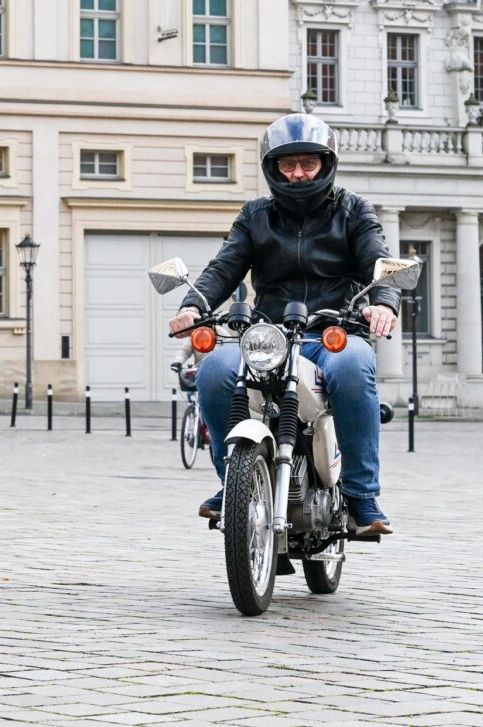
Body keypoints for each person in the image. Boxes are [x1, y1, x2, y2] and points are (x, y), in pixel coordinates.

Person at [168, 113, 399, 536]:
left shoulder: (353, 210)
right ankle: (231, 482)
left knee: (352, 366)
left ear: (325, 164)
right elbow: (223, 268)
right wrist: (193, 306)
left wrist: (382, 302)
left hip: (332, 334)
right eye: (287, 165)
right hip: (268, 337)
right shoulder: (255, 216)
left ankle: (363, 495)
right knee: (215, 369)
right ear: (272, 167)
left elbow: (378, 262)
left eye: (307, 163)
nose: (297, 174)